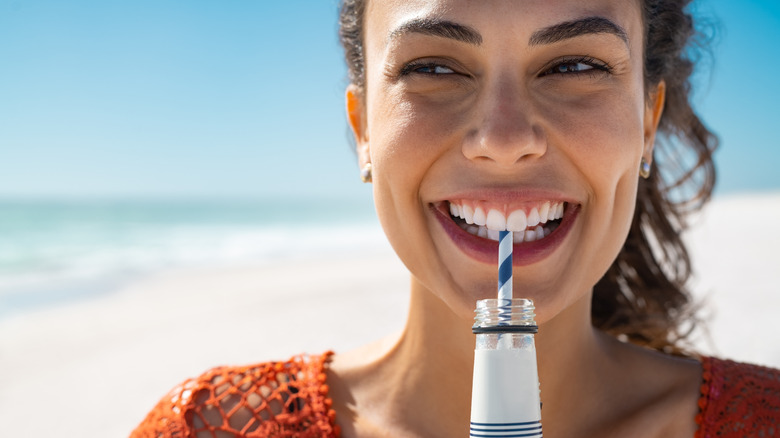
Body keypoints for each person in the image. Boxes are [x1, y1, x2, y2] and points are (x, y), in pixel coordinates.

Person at [130, 0, 780, 437]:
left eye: (574, 64)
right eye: (433, 67)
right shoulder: (210, 428)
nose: (502, 138)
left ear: (645, 122)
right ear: (363, 129)